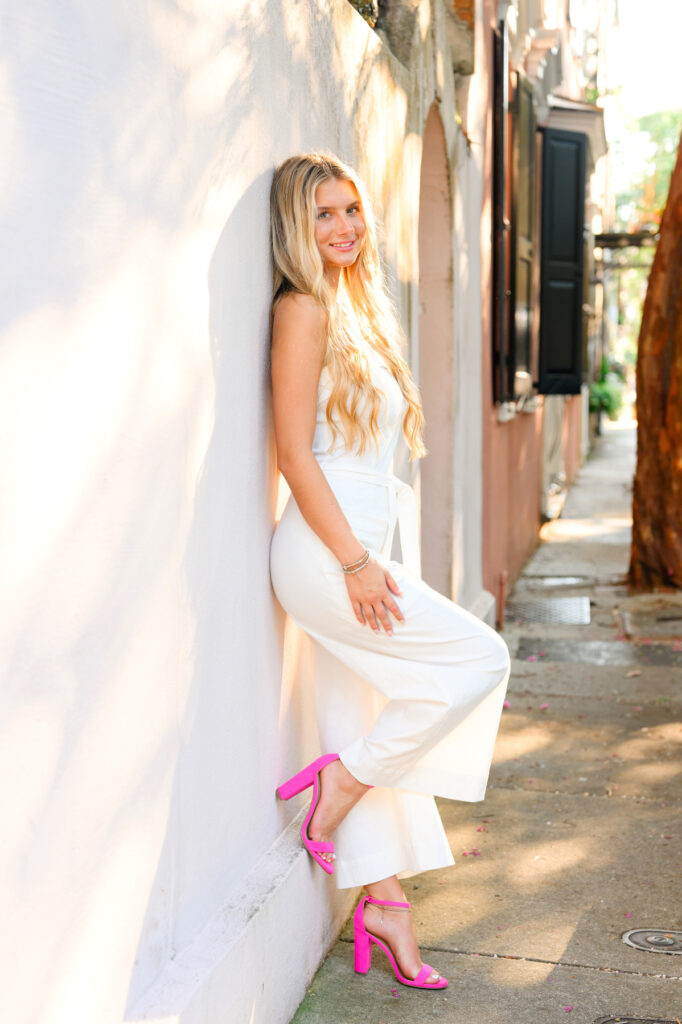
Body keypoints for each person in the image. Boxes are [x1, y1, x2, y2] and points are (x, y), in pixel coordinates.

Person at [269, 152, 511, 991]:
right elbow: (296, 456)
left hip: (363, 543)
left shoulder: (356, 309)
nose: (342, 228)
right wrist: (357, 563)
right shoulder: (301, 309)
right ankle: (339, 785)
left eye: (351, 211)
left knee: (364, 711)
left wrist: (370, 555)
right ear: (297, 228)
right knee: (482, 660)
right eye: (323, 215)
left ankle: (387, 908)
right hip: (332, 550)